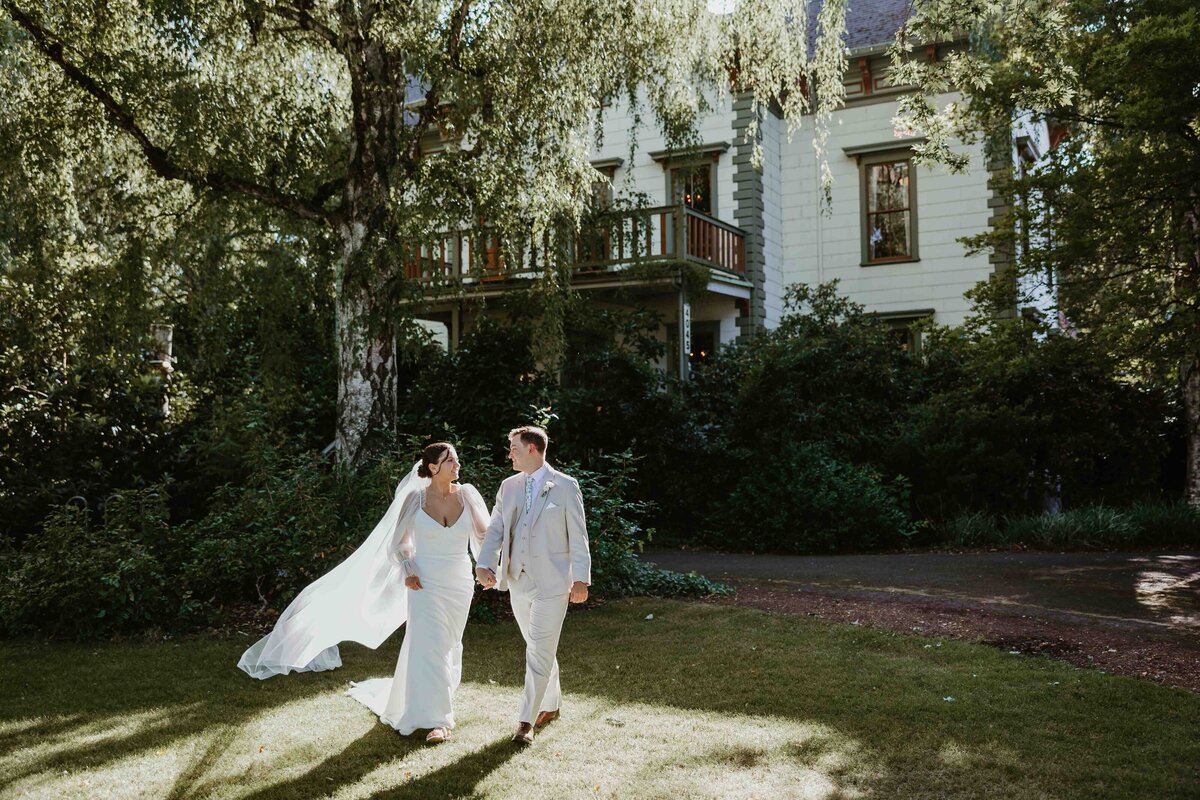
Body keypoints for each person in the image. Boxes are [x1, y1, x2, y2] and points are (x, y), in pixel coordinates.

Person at [238, 442, 488, 745]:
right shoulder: (414, 500)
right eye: (451, 461)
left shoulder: (468, 495)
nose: (457, 465)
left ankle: (426, 700)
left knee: (448, 643)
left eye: (457, 460)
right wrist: (408, 569)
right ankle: (438, 721)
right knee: (429, 644)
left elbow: (484, 536)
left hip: (458, 582)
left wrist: (486, 567)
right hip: (424, 583)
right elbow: (399, 543)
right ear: (433, 467)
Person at [475, 426, 591, 745]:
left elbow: (579, 537)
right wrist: (485, 563)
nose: (509, 453)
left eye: (513, 448)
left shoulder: (566, 487)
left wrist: (580, 579)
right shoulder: (508, 486)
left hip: (553, 583)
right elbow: (496, 527)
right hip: (517, 581)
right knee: (538, 647)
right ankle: (551, 705)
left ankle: (526, 721)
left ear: (532, 450)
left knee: (538, 652)